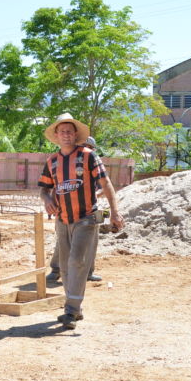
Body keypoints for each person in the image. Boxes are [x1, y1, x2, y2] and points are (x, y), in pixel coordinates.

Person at [38, 114, 124, 327]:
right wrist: (47, 198)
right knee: (67, 265)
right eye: (62, 132)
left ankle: (71, 311)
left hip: (86, 217)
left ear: (75, 134)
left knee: (77, 260)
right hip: (62, 220)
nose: (66, 135)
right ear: (56, 136)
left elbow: (106, 184)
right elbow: (43, 188)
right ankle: (75, 308)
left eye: (69, 131)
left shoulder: (88, 157)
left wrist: (115, 212)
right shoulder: (52, 161)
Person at [47, 135, 102, 285]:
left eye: (88, 147)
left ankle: (88, 272)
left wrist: (92, 195)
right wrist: (52, 203)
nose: (85, 150)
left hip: (91, 210)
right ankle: (56, 270)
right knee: (62, 241)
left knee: (91, 242)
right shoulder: (64, 163)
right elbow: (55, 187)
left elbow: (103, 187)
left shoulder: (93, 161)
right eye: (84, 146)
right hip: (67, 210)